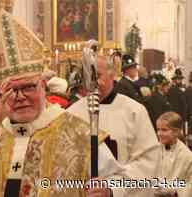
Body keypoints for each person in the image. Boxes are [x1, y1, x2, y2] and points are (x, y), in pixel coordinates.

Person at [0, 10, 124, 197]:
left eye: (28, 87)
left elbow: (122, 179)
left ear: (43, 87)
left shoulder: (78, 132)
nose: (20, 96)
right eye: (11, 90)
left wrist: (109, 190)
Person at [67, 56, 161, 197]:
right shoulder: (71, 114)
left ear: (112, 75)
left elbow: (148, 162)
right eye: (86, 77)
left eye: (96, 76)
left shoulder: (134, 111)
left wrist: (112, 188)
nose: (91, 83)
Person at [155, 112, 192, 197]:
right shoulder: (154, 149)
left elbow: (189, 184)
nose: (159, 133)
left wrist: (175, 192)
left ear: (177, 132)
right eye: (158, 129)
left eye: (164, 130)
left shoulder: (187, 156)